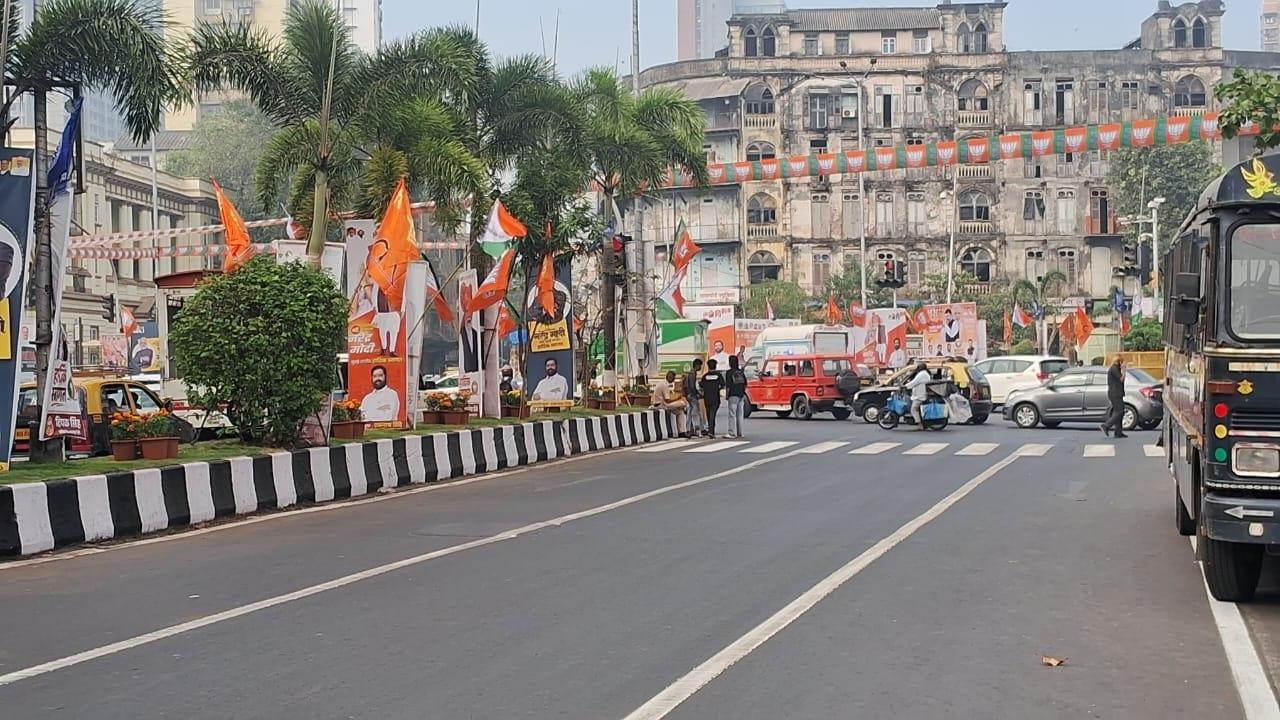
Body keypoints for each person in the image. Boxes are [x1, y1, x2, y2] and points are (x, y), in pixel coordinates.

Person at [654, 370, 688, 437]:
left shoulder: (661, 383)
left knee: (680, 412)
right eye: (673, 378)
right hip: (661, 405)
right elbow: (668, 401)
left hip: (661, 403)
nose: (674, 380)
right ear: (670, 377)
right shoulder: (664, 386)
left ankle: (682, 432)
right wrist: (678, 398)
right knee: (683, 403)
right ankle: (682, 431)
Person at [1101, 357, 1128, 438]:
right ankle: (1106, 426)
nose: (1123, 364)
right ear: (1118, 361)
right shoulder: (1114, 369)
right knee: (1119, 411)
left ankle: (1118, 432)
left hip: (1117, 393)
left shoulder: (1115, 368)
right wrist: (1124, 370)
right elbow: (1121, 379)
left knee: (1120, 412)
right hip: (1115, 393)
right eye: (1122, 362)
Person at [700, 358, 725, 438]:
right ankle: (711, 431)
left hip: (707, 398)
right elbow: (722, 385)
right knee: (713, 415)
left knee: (709, 415)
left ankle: (710, 430)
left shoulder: (705, 376)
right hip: (715, 397)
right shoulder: (718, 376)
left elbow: (701, 386)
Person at [725, 356, 749, 439]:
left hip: (733, 395)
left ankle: (731, 432)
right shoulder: (740, 372)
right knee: (739, 414)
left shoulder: (729, 373)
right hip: (741, 395)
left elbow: (728, 386)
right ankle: (740, 432)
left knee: (732, 414)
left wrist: (727, 395)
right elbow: (745, 384)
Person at [904, 361, 932, 431]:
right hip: (921, 393)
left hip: (920, 395)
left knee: (913, 409)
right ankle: (923, 423)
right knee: (918, 410)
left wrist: (905, 386)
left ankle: (919, 425)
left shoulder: (921, 374)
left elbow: (914, 382)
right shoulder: (925, 373)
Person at [683, 358, 704, 437]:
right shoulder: (693, 373)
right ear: (697, 365)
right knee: (695, 413)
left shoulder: (689, 373)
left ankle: (689, 429)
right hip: (692, 396)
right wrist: (696, 394)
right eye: (700, 366)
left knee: (690, 413)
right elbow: (692, 386)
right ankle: (697, 430)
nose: (701, 367)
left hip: (689, 395)